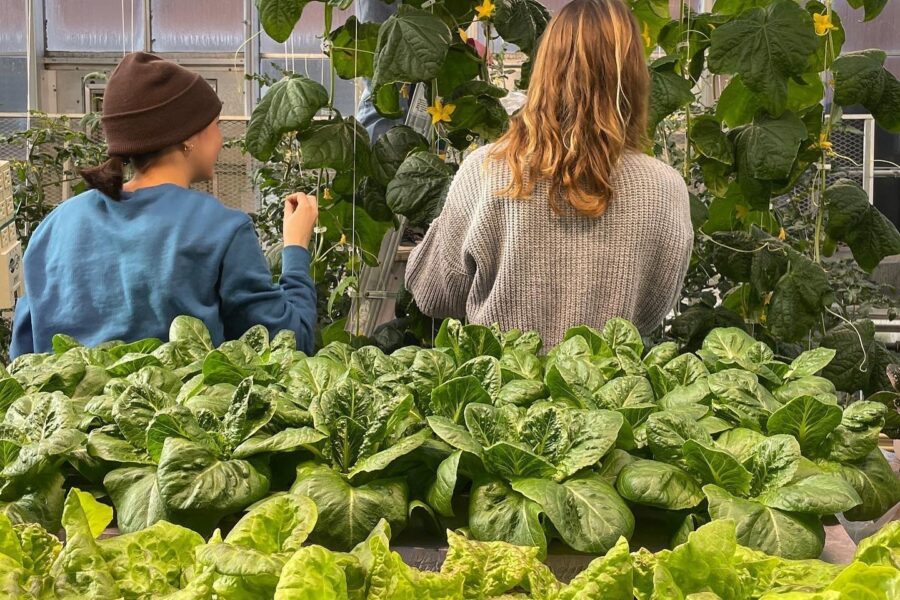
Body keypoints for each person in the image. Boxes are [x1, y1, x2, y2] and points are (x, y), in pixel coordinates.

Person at [405, 0, 693, 348]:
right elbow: (653, 311)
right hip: (612, 396)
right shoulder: (665, 187)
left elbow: (434, 294)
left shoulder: (487, 171)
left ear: (545, 68)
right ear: (634, 77)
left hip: (501, 394)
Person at [9, 52, 319, 358]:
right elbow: (288, 345)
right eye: (216, 124)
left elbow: (24, 358)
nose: (221, 138)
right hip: (174, 408)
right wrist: (295, 247)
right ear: (189, 136)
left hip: (68, 407)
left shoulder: (54, 226)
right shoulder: (220, 228)